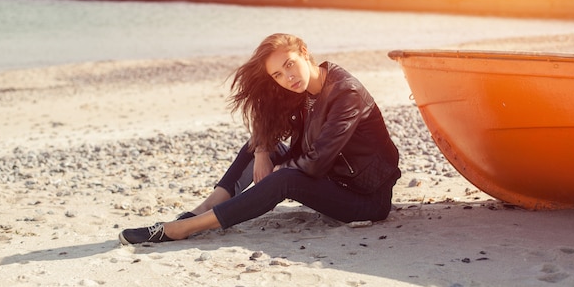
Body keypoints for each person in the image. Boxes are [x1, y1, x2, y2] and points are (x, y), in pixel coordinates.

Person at [119, 33, 401, 245]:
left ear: (304, 53)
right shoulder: (303, 89)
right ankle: (199, 211)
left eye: (290, 65)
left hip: (365, 200)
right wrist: (263, 152)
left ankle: (185, 229)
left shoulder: (345, 93)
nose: (287, 77)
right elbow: (265, 118)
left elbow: (315, 163)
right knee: (257, 147)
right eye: (278, 74)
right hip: (333, 181)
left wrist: (278, 171)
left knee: (285, 178)